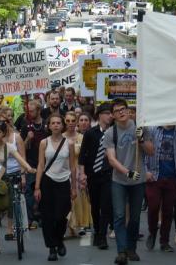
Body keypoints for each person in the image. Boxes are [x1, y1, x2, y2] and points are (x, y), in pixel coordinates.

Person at [103, 99, 154, 265]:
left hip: (138, 181)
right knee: (119, 216)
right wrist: (127, 172)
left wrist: (141, 140)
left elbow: (151, 151)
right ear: (112, 115)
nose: (121, 112)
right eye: (117, 111)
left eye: (123, 108)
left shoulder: (140, 127)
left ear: (128, 109)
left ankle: (132, 248)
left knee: (134, 217)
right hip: (119, 180)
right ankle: (122, 251)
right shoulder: (111, 133)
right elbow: (111, 159)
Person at [0, 120, 36, 254]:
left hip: (3, 182)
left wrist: (28, 168)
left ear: (4, 134)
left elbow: (19, 158)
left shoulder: (8, 146)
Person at [34, 114, 77, 261]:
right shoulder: (43, 143)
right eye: (53, 123)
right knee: (47, 217)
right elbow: (40, 165)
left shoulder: (69, 143)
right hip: (47, 182)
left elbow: (72, 166)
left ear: (62, 125)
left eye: (59, 123)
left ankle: (59, 240)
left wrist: (74, 187)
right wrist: (37, 187)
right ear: (49, 126)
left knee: (61, 216)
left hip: (64, 181)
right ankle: (52, 248)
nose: (56, 125)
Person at [144, 125, 176, 252]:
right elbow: (144, 151)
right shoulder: (152, 129)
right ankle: (152, 232)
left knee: (168, 211)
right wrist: (145, 171)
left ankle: (165, 241)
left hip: (173, 177)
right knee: (153, 207)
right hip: (154, 176)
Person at [79, 103, 113, 249]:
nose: (110, 116)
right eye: (107, 113)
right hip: (93, 174)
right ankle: (97, 230)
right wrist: (82, 174)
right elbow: (82, 155)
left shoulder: (114, 133)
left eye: (111, 113)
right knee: (95, 206)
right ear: (100, 115)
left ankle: (102, 236)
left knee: (105, 206)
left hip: (108, 174)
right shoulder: (90, 133)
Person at [20, 100, 48, 229]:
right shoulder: (26, 126)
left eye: (32, 111)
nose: (30, 114)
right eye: (28, 111)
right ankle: (29, 218)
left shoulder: (46, 125)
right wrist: (27, 139)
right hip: (31, 163)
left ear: (38, 110)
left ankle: (43, 217)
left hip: (45, 163)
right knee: (29, 192)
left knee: (45, 191)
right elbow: (22, 148)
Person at [63, 112, 91, 237]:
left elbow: (85, 157)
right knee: (66, 200)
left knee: (78, 200)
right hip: (64, 171)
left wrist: (84, 174)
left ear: (77, 122)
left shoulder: (82, 137)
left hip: (78, 171)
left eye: (73, 120)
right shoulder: (61, 137)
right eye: (68, 120)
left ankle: (79, 225)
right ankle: (68, 225)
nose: (70, 123)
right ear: (64, 121)